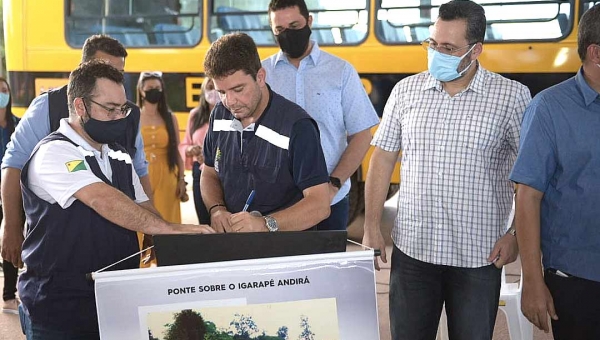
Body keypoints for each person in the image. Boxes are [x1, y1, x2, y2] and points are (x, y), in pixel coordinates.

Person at [362, 1, 531, 339]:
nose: (438, 53)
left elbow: (529, 178)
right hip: (413, 253)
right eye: (433, 44)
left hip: (479, 257)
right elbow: (382, 159)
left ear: (476, 50)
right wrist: (371, 226)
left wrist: (515, 236)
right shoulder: (406, 92)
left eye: (449, 48)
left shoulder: (511, 98)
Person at [18, 60, 214, 339]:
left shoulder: (119, 154)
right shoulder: (55, 153)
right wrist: (171, 229)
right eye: (109, 109)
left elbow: (143, 206)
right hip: (58, 311)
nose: (119, 117)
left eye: (122, 109)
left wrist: (174, 242)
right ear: (80, 106)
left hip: (112, 306)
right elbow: (102, 199)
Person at [1, 34, 153, 270]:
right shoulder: (48, 106)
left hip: (117, 248)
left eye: (118, 73)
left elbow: (139, 170)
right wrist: (11, 225)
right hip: (58, 248)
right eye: (104, 69)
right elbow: (14, 163)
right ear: (83, 69)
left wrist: (152, 223)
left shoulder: (129, 114)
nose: (112, 78)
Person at [509, 4, 600, 338]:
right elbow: (528, 196)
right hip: (578, 280)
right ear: (596, 53)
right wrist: (532, 280)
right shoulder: (548, 109)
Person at [262, 0, 379, 231]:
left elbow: (362, 134)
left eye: (294, 25)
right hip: (277, 203)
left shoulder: (341, 71)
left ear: (309, 21)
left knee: (329, 266)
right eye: (280, 30)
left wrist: (333, 184)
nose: (287, 34)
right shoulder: (262, 75)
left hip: (331, 202)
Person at [201, 32, 331, 233]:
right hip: (234, 250)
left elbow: (320, 205)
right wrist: (217, 209)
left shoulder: (297, 126)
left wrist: (264, 224)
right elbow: (209, 173)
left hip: (286, 254)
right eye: (222, 92)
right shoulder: (219, 115)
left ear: (260, 77)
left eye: (238, 89)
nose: (230, 101)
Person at [137, 71, 186, 223]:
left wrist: (181, 179)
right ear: (140, 90)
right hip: (141, 176)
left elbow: (177, 151)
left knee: (167, 220)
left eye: (157, 87)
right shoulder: (134, 117)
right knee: (144, 220)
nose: (154, 91)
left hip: (167, 176)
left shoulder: (170, 118)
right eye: (150, 87)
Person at [179, 77, 219, 224]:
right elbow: (184, 144)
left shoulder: (230, 114)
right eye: (209, 87)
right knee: (203, 218)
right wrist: (190, 150)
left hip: (221, 171)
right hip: (199, 172)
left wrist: (210, 155)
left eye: (215, 87)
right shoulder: (195, 115)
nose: (213, 91)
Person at [0, 77, 20, 314]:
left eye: (4, 90)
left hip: (11, 192)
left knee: (11, 237)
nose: (1, 94)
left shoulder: (17, 124)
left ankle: (8, 295)